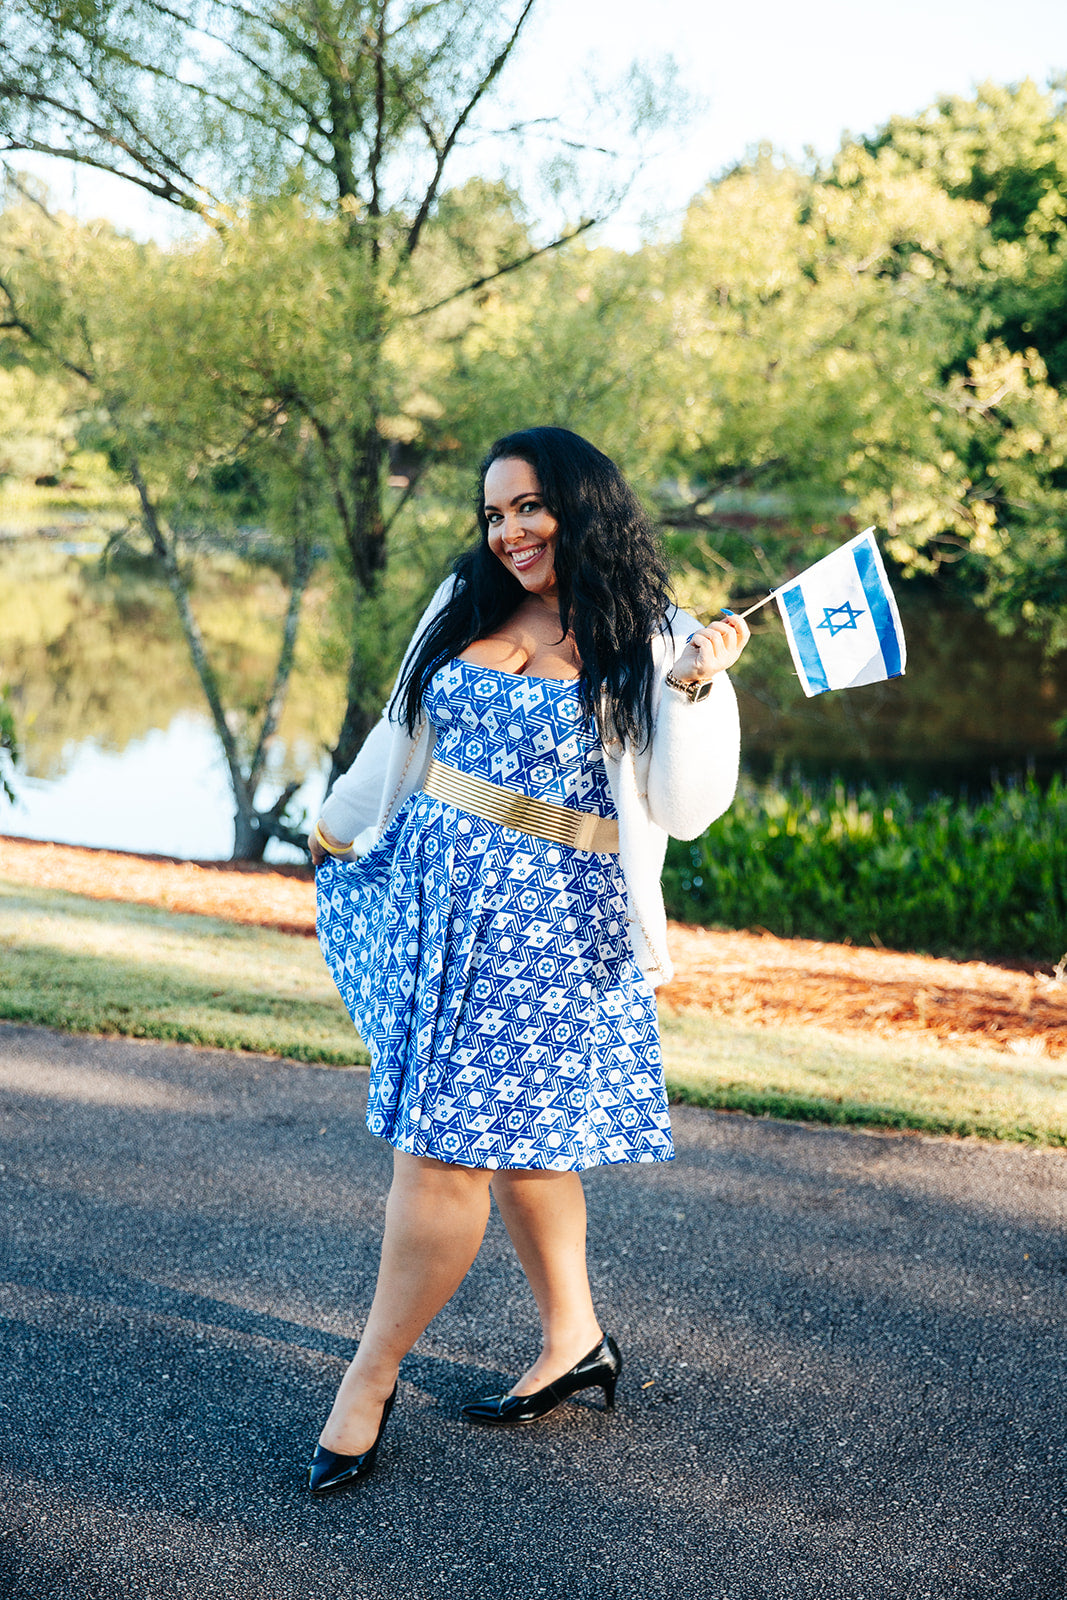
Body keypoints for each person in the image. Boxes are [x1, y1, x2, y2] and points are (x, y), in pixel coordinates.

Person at [306, 426, 749, 1494]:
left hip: (553, 927)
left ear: (583, 505)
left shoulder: (656, 637)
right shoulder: (460, 602)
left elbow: (685, 810)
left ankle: (366, 1381)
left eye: (528, 508)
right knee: (517, 1144)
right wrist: (336, 827)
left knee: (445, 1149)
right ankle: (573, 1338)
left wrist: (693, 687)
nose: (507, 532)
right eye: (493, 513)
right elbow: (400, 730)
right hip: (437, 897)